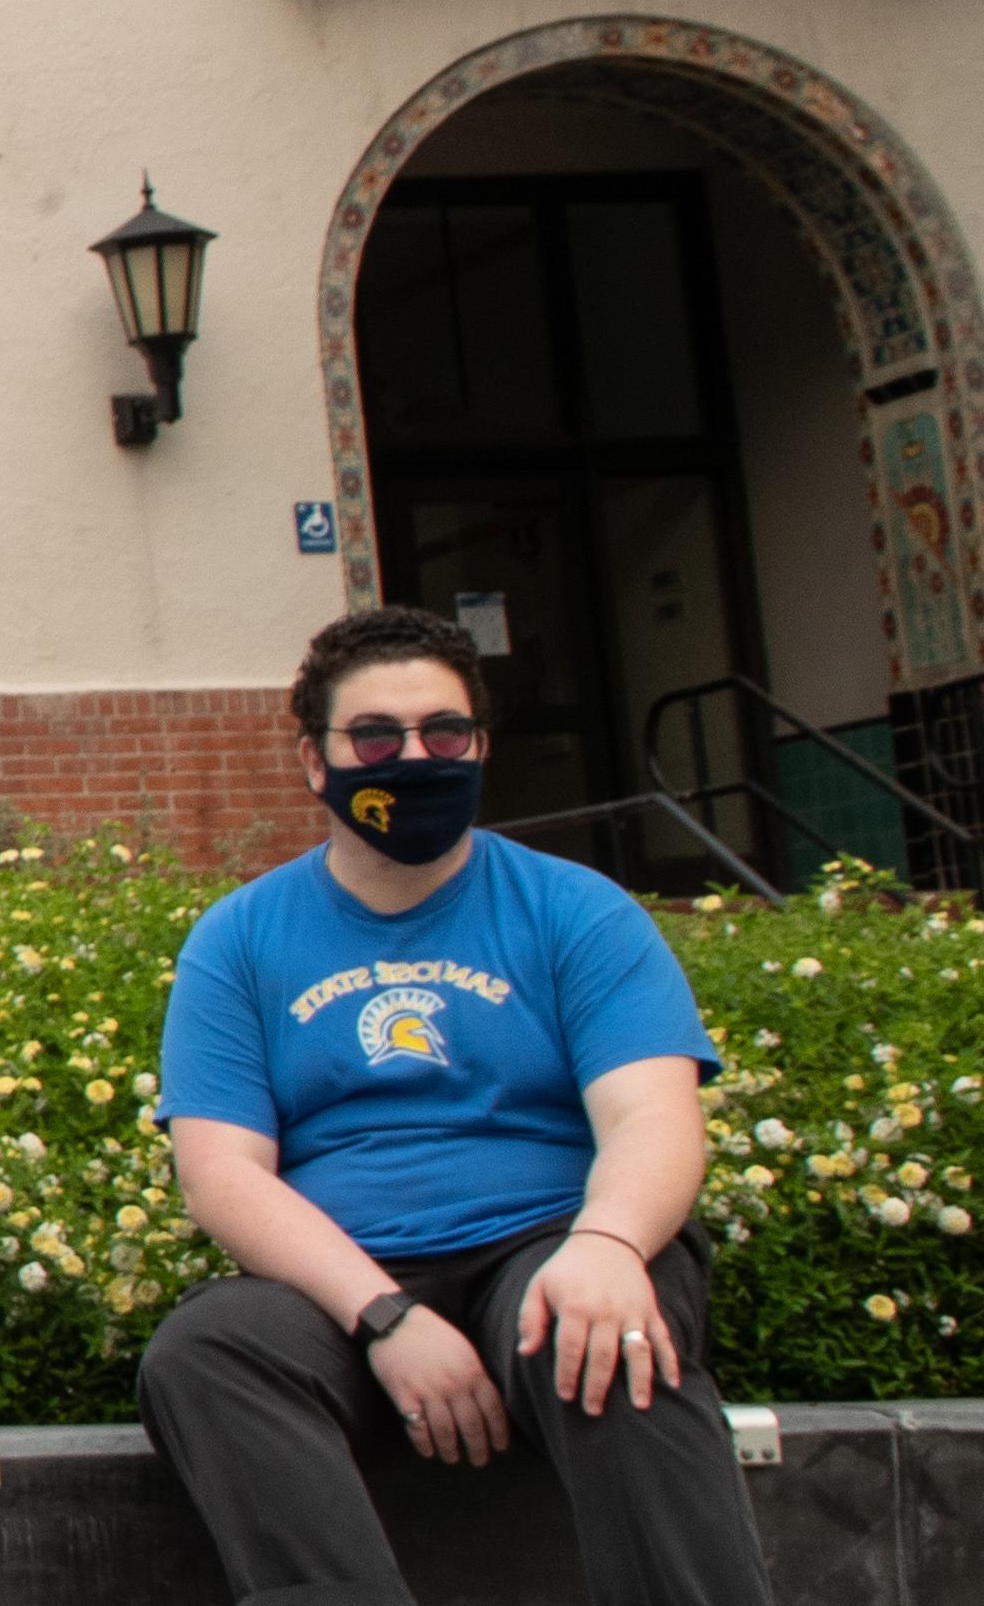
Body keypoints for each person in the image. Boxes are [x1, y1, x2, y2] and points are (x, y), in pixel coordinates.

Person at [140, 605, 768, 1606]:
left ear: (478, 746)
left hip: (552, 1245)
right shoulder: (239, 939)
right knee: (206, 1351)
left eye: (443, 732)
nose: (413, 757)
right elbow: (220, 1174)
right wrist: (385, 1315)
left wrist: (607, 1246)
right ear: (315, 760)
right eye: (376, 737)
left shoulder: (576, 910)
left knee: (603, 1335)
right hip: (344, 1283)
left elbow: (652, 1116)